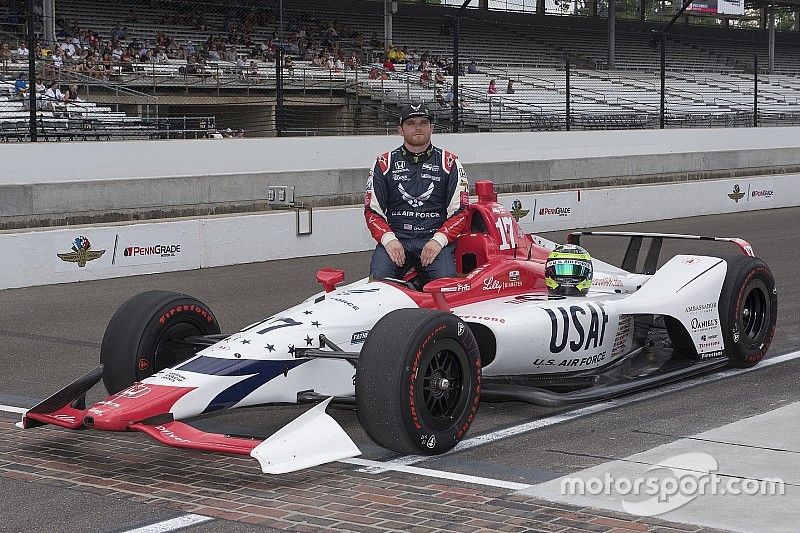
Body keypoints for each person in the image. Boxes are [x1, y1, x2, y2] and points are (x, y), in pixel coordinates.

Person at [365, 103, 470, 283]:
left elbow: (461, 212)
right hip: (398, 238)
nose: (418, 127)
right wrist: (389, 240)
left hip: (434, 238)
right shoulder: (384, 163)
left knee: (446, 286)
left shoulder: (449, 162)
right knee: (379, 280)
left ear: (432, 128)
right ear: (400, 129)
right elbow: (372, 211)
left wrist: (438, 241)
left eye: (423, 122)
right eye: (411, 123)